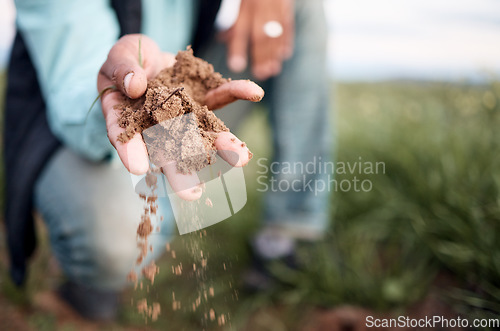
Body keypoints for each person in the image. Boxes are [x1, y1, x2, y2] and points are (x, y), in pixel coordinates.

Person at [4, 0, 331, 320]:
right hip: (89, 112)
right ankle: (91, 283)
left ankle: (291, 233)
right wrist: (121, 95)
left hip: (193, 91)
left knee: (297, 5)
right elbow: (74, 82)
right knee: (112, 243)